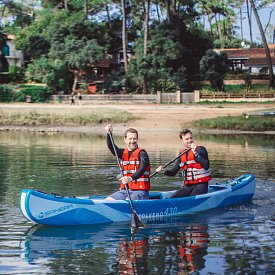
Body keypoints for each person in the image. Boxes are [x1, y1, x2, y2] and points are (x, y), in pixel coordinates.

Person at [156, 129, 212, 198]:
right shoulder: (181, 154)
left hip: (201, 184)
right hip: (188, 186)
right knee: (173, 199)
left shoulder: (200, 149)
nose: (190, 140)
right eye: (187, 139)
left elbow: (206, 165)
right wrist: (163, 171)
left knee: (191, 199)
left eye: (191, 138)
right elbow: (173, 172)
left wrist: (195, 153)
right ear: (182, 141)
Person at [105, 124, 151, 200]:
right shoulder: (122, 153)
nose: (132, 141)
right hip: (125, 191)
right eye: (130, 139)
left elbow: (142, 169)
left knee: (127, 200)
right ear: (125, 140)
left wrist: (130, 178)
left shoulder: (142, 154)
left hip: (140, 191)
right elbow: (111, 146)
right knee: (108, 200)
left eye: (134, 139)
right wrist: (108, 133)